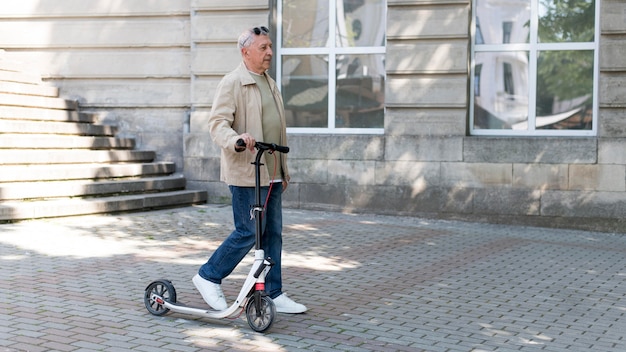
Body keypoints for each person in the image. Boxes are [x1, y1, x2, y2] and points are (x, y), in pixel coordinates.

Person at [193, 26, 307, 314]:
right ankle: (208, 276)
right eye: (263, 48)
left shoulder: (269, 82)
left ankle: (273, 292)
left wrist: (284, 170)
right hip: (248, 170)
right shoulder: (233, 82)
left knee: (273, 235)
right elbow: (217, 123)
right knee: (247, 232)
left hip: (272, 173)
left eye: (269, 46)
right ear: (245, 52)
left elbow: (277, 129)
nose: (269, 52)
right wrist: (237, 140)